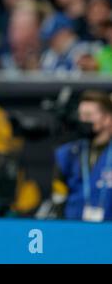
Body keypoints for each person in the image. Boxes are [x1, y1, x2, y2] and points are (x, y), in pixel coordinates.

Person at [51, 90, 112, 221]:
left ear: (107, 118)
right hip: (74, 230)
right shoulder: (67, 153)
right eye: (81, 115)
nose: (83, 120)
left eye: (88, 116)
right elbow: (58, 198)